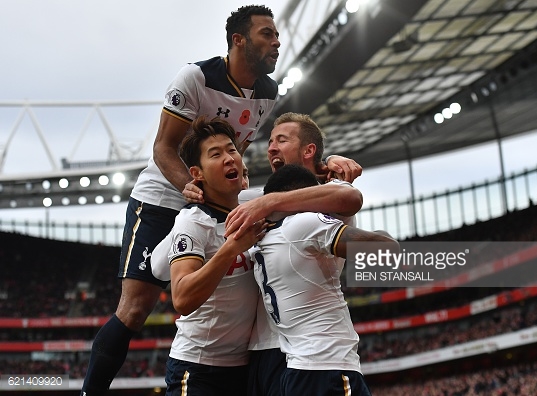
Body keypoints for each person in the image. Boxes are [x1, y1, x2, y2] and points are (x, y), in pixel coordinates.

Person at [81, 5, 281, 395]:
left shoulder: (268, 94)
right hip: (162, 198)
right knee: (136, 309)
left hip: (211, 203)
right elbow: (163, 147)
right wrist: (189, 189)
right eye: (267, 35)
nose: (276, 43)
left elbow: (233, 154)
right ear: (239, 40)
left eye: (276, 35)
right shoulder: (195, 77)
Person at [221, 112, 363, 396]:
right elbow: (215, 193)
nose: (271, 147)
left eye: (281, 140)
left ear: (309, 150)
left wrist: (271, 200)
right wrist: (193, 187)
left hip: (308, 353)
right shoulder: (257, 199)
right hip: (263, 349)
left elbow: (350, 199)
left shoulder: (327, 196)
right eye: (271, 141)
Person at [251, 164, 399, 396]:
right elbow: (387, 250)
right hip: (328, 367)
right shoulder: (303, 224)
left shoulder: (263, 240)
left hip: (299, 371)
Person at [149, 115, 266, 395]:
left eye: (232, 150)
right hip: (198, 369)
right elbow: (182, 298)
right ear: (197, 174)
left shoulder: (256, 206)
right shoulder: (194, 221)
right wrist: (230, 249)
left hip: (244, 367)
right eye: (216, 154)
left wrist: (330, 163)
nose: (229, 158)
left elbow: (304, 191)